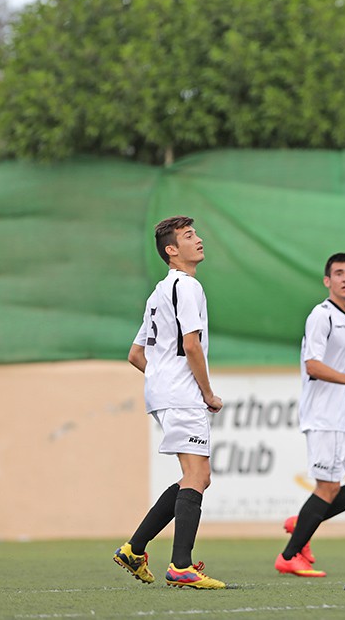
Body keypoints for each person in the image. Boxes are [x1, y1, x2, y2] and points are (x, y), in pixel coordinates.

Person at [114, 215, 229, 590]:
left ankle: (135, 549)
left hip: (166, 393)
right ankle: (180, 566)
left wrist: (162, 379)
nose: (198, 240)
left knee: (194, 477)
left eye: (196, 233)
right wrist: (206, 392)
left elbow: (136, 354)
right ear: (171, 250)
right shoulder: (187, 286)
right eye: (188, 236)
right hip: (182, 395)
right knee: (198, 476)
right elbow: (191, 344)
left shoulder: (160, 291)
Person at [275, 252, 345, 577]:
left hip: (343, 416)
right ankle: (289, 556)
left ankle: (305, 522)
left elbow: (344, 365)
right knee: (328, 487)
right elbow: (314, 366)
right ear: (327, 280)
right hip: (322, 416)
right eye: (338, 273)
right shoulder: (320, 316)